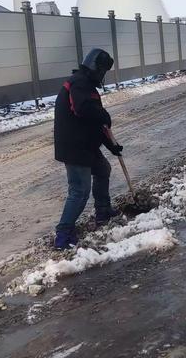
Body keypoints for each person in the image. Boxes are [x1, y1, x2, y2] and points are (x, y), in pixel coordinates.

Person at [53, 49, 123, 249]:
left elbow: (96, 125)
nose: (103, 75)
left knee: (103, 170)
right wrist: (103, 114)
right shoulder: (79, 83)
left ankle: (103, 210)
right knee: (79, 190)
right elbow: (83, 110)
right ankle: (63, 234)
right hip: (75, 147)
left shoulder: (87, 85)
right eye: (102, 70)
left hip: (86, 145)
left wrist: (112, 147)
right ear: (94, 66)